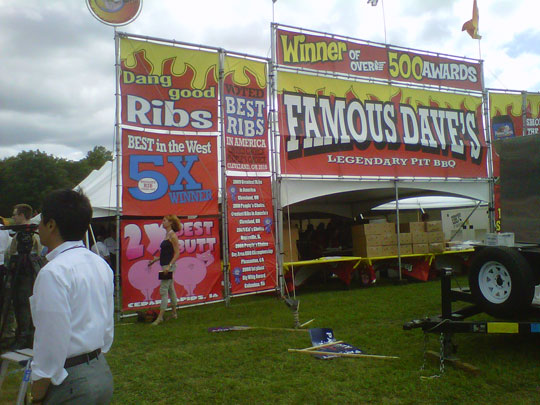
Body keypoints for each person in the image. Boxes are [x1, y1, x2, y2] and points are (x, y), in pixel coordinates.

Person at [30, 189, 114, 404]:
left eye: (41, 222)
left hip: (70, 381)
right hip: (99, 370)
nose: (37, 229)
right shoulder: (99, 263)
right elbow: (107, 326)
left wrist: (37, 392)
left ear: (51, 225)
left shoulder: (53, 272)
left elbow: (50, 341)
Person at [6, 203, 42, 349]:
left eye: (15, 214)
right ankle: (23, 335)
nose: (13, 217)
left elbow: (37, 252)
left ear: (22, 215)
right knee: (19, 304)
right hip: (19, 272)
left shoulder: (33, 233)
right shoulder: (19, 234)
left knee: (24, 304)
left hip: (27, 273)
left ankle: (26, 336)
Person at [147, 215, 180, 325]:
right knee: (170, 289)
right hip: (165, 265)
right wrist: (156, 260)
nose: (163, 222)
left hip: (168, 267)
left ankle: (160, 317)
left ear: (170, 223)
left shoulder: (173, 236)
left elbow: (177, 253)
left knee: (163, 290)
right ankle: (174, 313)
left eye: (165, 220)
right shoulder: (167, 235)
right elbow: (166, 253)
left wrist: (169, 265)